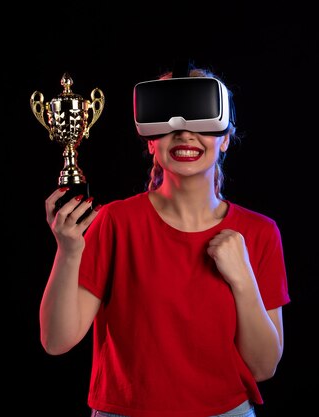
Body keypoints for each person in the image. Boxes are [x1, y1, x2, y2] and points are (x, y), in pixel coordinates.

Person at [39, 63, 290, 417]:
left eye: (200, 119)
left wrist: (243, 278)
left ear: (225, 139)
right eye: (169, 119)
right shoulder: (115, 222)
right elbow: (56, 341)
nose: (185, 132)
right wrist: (68, 252)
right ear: (151, 142)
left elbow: (264, 367)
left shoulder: (260, 233)